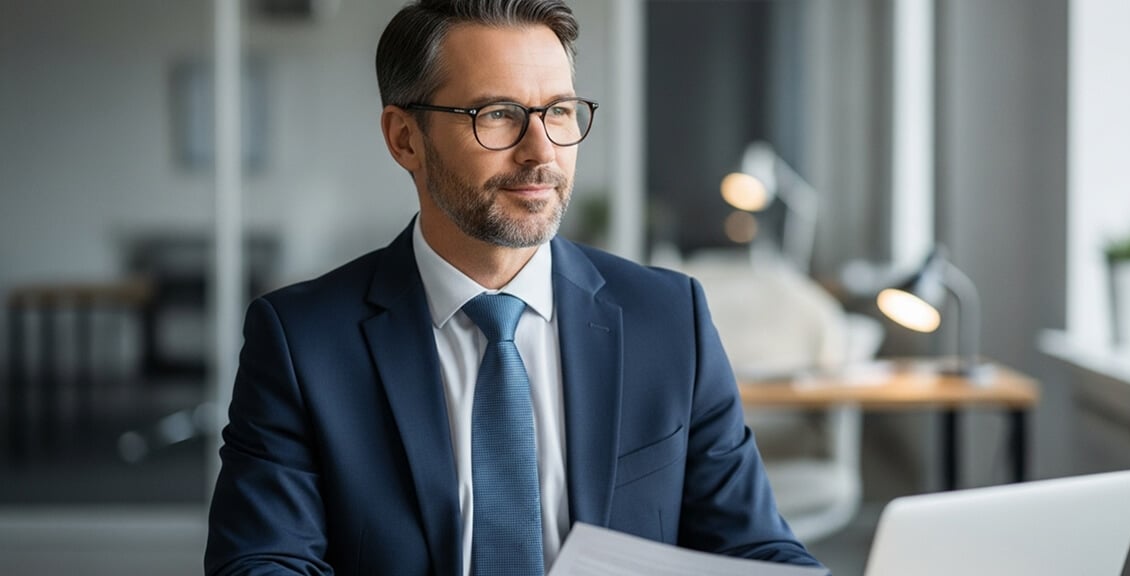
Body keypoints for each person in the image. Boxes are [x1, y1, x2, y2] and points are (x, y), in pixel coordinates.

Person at [205, 0, 825, 574]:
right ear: (404, 138)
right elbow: (263, 562)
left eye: (558, 110)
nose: (541, 151)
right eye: (497, 115)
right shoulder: (302, 341)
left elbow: (753, 547)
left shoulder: (669, 320)